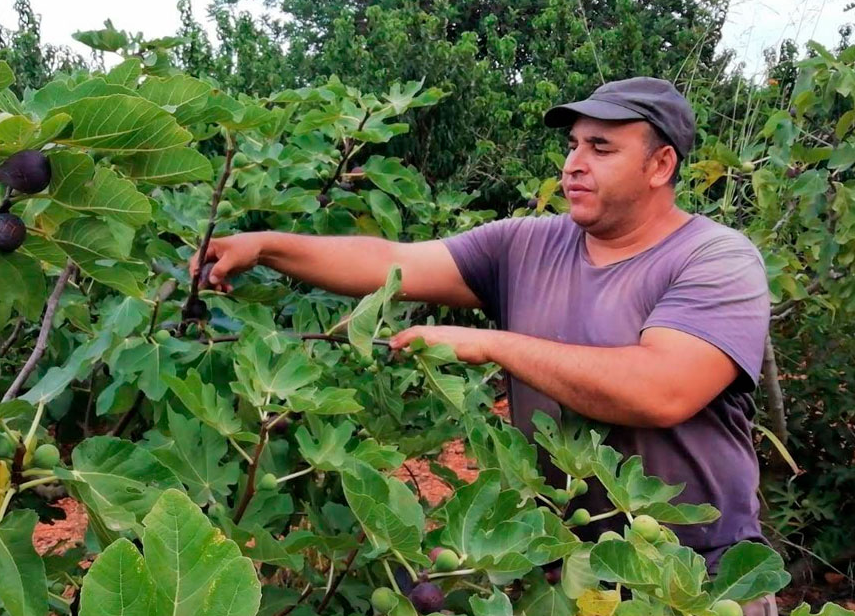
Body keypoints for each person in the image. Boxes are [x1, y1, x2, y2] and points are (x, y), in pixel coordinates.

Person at [190, 77, 776, 615]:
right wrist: (266, 245)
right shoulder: (524, 245)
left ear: (660, 165)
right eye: (573, 145)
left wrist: (494, 345)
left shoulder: (715, 260)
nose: (574, 164)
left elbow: (661, 390)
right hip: (559, 565)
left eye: (601, 149)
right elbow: (394, 262)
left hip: (691, 570)